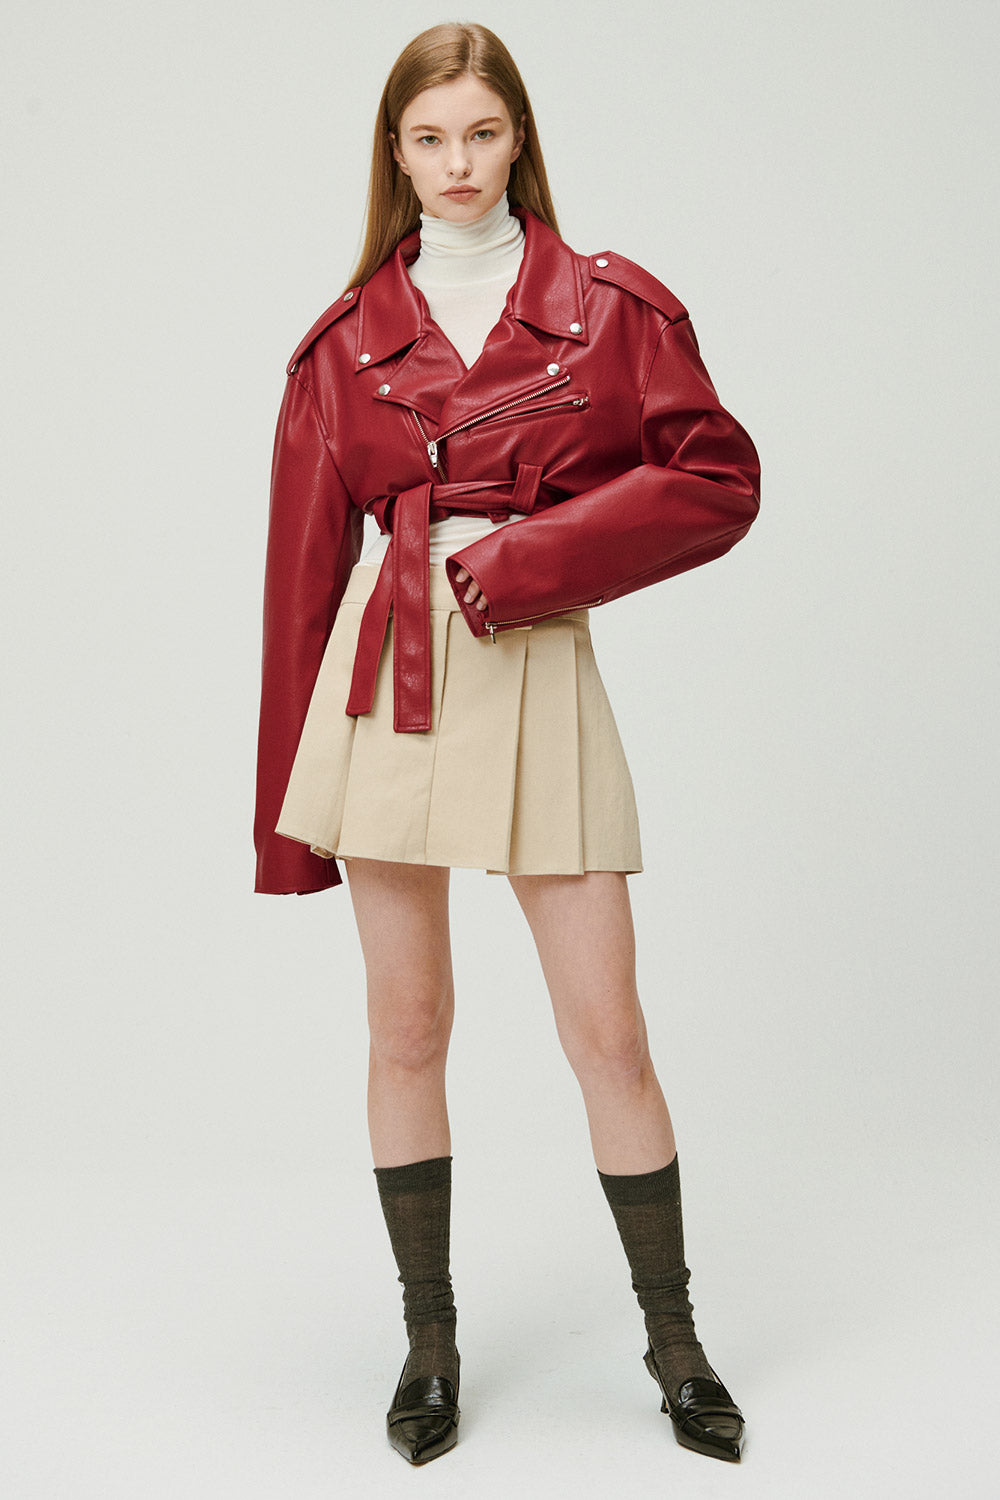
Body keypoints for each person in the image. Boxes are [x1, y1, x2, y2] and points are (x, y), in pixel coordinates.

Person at [254, 20, 760, 1468]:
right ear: (395, 154)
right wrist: (285, 817)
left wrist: (528, 561)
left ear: (518, 136)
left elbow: (718, 477)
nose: (458, 163)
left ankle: (674, 1340)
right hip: (385, 680)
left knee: (610, 1032)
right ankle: (430, 1342)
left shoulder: (609, 308)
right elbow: (301, 584)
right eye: (429, 139)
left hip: (528, 653)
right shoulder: (342, 343)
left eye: (481, 133)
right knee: (407, 1026)